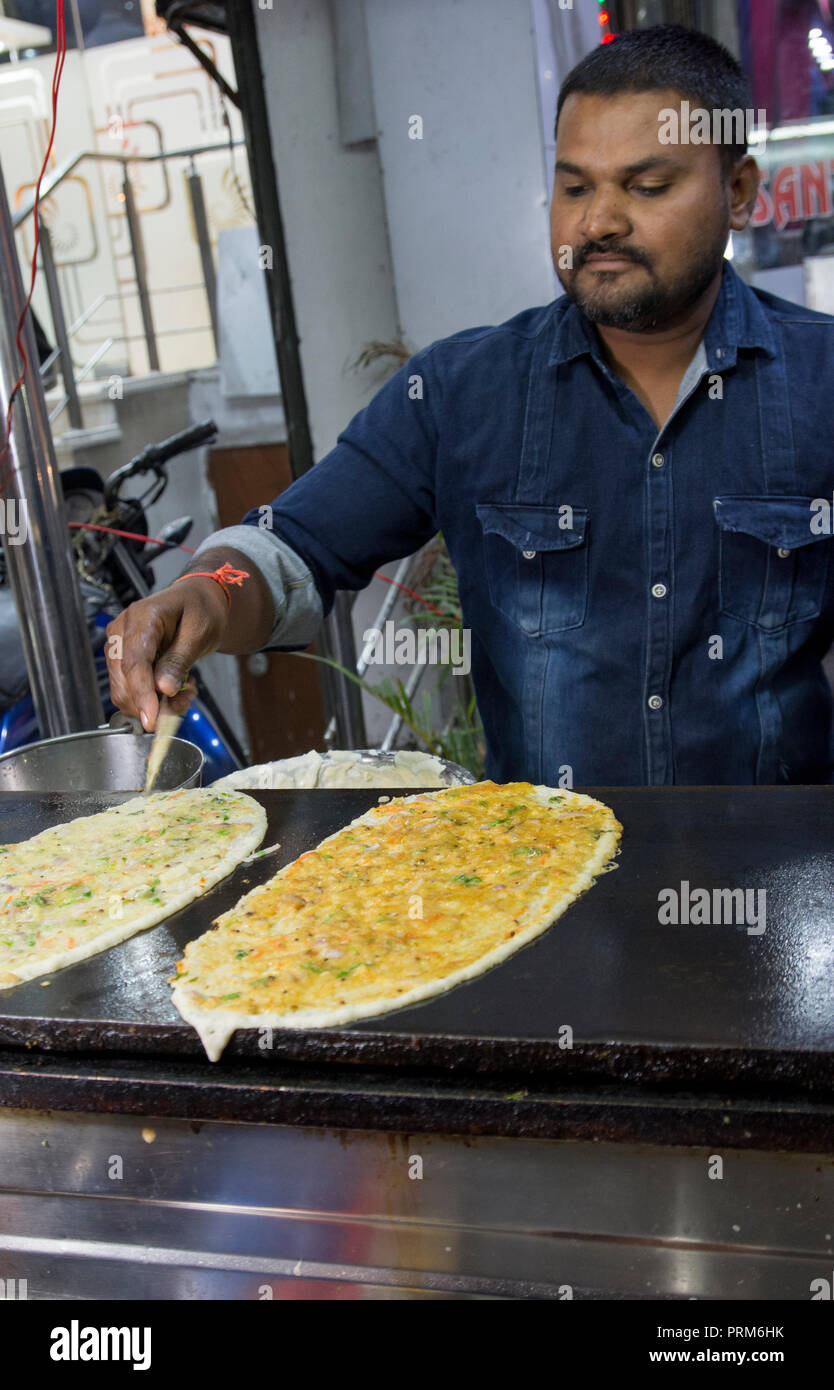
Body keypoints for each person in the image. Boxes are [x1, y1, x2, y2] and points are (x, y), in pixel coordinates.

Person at [106, 24, 834, 786]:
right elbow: (289, 550)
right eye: (576, 186)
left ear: (741, 192)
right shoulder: (463, 390)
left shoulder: (817, 380)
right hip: (536, 874)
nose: (597, 222)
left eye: (647, 187)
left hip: (776, 878)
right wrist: (206, 593)